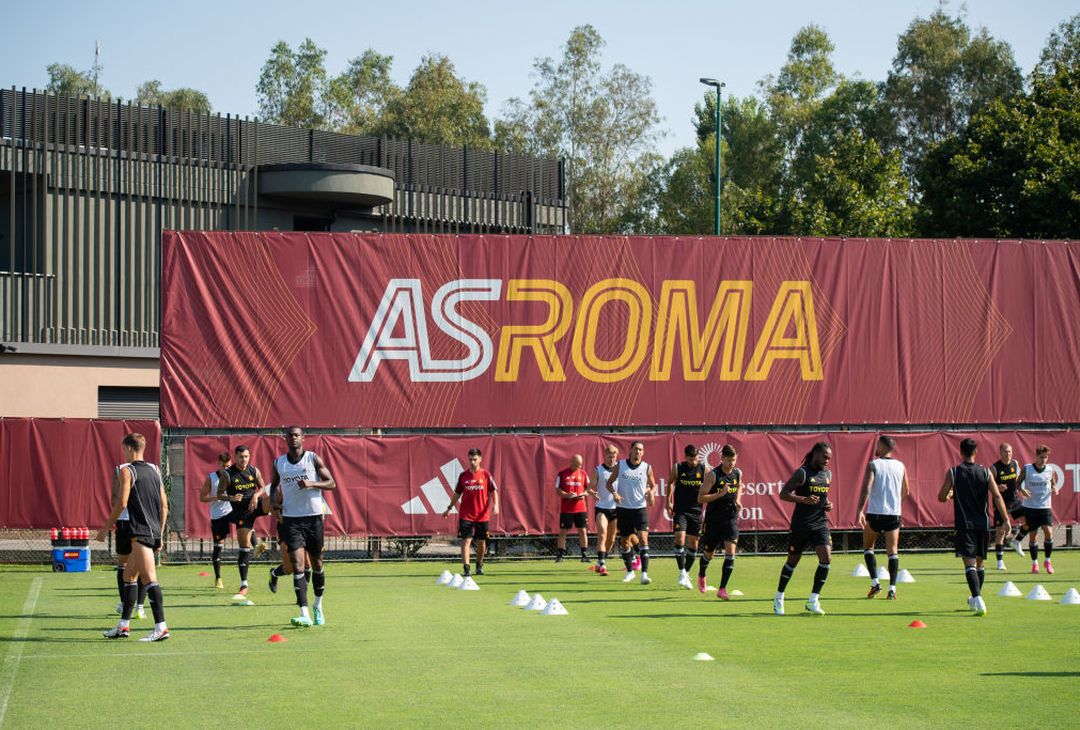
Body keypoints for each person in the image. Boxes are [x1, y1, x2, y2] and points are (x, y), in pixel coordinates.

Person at [97, 433, 170, 641]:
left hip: (140, 532)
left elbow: (121, 503)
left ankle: (161, 627)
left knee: (149, 580)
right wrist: (160, 533)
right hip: (153, 530)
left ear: (129, 448)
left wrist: (105, 528)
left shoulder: (126, 471)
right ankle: (123, 626)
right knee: (129, 576)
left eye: (124, 449)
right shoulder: (156, 470)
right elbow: (164, 505)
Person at [271, 426, 336, 627]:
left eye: (297, 435)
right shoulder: (279, 463)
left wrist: (312, 484)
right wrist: (274, 505)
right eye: (290, 435)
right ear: (285, 439)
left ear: (303, 438)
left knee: (317, 565)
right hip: (291, 520)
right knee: (298, 565)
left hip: (314, 518)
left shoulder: (312, 459)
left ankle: (318, 606)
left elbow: (331, 483)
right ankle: (304, 613)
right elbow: (274, 486)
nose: (293, 438)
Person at [937, 438, 1011, 616]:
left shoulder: (953, 472)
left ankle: (978, 598)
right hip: (983, 524)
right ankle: (975, 597)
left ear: (960, 452)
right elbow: (997, 496)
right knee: (980, 564)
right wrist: (1006, 519)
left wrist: (950, 495)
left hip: (965, 525)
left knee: (969, 564)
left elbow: (940, 496)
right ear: (976, 452)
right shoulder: (986, 472)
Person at [774, 442, 834, 616]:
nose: (827, 461)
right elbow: (783, 494)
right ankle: (779, 597)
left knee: (826, 558)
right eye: (824, 456)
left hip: (820, 523)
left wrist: (827, 504)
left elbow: (823, 496)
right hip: (801, 524)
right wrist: (803, 499)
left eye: (829, 458)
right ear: (815, 453)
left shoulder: (827, 474)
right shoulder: (802, 473)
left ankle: (813, 600)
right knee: (792, 562)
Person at [856, 435, 909, 600]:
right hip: (893, 515)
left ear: (883, 446)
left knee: (868, 547)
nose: (876, 447)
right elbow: (906, 491)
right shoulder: (901, 466)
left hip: (875, 514)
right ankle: (892, 589)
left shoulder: (874, 464)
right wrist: (895, 503)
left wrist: (859, 510)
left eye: (878, 444)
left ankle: (875, 583)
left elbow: (866, 488)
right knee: (892, 551)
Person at [218, 444, 267, 598]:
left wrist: (256, 495)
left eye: (246, 456)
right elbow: (219, 494)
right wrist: (231, 497)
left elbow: (263, 487)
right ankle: (244, 583)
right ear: (236, 457)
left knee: (274, 500)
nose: (244, 459)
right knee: (244, 547)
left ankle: (288, 533)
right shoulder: (227, 474)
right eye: (241, 457)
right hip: (242, 513)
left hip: (255, 505)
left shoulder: (254, 470)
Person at [442, 447, 499, 578]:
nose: (472, 462)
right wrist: (449, 508)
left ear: (480, 459)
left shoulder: (486, 475)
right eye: (470, 459)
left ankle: (479, 565)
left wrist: (496, 505)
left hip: (482, 515)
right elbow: (457, 493)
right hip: (466, 515)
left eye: (475, 459)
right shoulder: (463, 476)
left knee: (481, 542)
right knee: (466, 541)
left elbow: (493, 491)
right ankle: (466, 568)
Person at [606, 441, 657, 585]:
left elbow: (653, 485)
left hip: (640, 509)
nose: (638, 452)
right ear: (631, 450)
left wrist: (652, 493)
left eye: (641, 450)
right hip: (623, 509)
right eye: (636, 449)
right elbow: (609, 484)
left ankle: (644, 574)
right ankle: (630, 572)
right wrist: (615, 494)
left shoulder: (647, 467)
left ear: (643, 452)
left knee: (643, 538)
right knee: (625, 541)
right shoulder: (620, 465)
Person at [697, 444, 742, 600]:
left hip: (731, 517)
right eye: (729, 460)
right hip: (714, 519)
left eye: (734, 460)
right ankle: (702, 574)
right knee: (709, 553)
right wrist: (720, 494)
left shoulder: (737, 473)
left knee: (731, 551)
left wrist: (738, 500)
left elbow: (740, 486)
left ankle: (722, 589)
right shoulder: (713, 475)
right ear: (722, 458)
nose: (732, 464)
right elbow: (701, 498)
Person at [1016, 444, 1061, 575]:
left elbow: (1052, 483)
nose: (1043, 460)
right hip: (1030, 507)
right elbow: (1017, 483)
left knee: (1048, 532)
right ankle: (1034, 563)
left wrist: (1055, 489)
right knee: (1033, 535)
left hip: (1045, 506)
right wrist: (1022, 490)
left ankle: (1047, 561)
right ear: (1036, 456)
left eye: (1046, 457)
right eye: (1041, 457)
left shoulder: (1050, 469)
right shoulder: (1027, 469)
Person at [668, 444, 705, 590]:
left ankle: (686, 573)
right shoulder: (678, 468)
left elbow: (709, 486)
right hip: (680, 510)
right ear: (686, 457)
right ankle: (681, 571)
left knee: (694, 544)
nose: (693, 462)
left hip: (696, 511)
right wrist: (668, 501)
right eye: (690, 459)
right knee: (680, 538)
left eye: (695, 459)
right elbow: (670, 483)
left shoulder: (704, 469)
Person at [199, 451, 233, 589]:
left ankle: (256, 545)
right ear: (219, 464)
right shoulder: (211, 478)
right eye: (224, 466)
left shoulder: (233, 476)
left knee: (246, 520)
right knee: (218, 546)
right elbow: (202, 498)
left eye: (229, 466)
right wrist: (216, 498)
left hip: (231, 511)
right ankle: (218, 578)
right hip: (218, 515)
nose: (226, 469)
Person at [588, 445, 621, 576]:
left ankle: (600, 561)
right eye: (609, 456)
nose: (611, 459)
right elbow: (590, 487)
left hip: (616, 509)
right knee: (602, 533)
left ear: (616, 456)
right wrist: (592, 493)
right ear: (605, 455)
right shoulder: (598, 470)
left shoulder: (621, 468)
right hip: (602, 507)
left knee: (611, 539)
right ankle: (602, 565)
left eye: (613, 456)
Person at [990, 443, 1023, 569]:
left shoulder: (1015, 464)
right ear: (1000, 452)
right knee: (1000, 533)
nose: (1008, 454)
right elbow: (988, 484)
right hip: (1000, 504)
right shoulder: (994, 468)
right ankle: (1000, 561)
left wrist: (1021, 489)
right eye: (1005, 452)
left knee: (1029, 521)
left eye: (1009, 451)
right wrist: (998, 487)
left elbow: (1018, 481)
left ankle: (1016, 541)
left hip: (1014, 501)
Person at [554, 454, 590, 563]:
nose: (579, 466)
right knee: (563, 531)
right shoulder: (562, 474)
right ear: (572, 462)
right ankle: (560, 555)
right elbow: (558, 490)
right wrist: (567, 495)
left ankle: (584, 554)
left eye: (580, 465)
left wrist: (583, 494)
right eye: (577, 464)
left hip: (581, 508)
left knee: (582, 530)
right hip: (567, 509)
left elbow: (589, 489)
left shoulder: (583, 474)